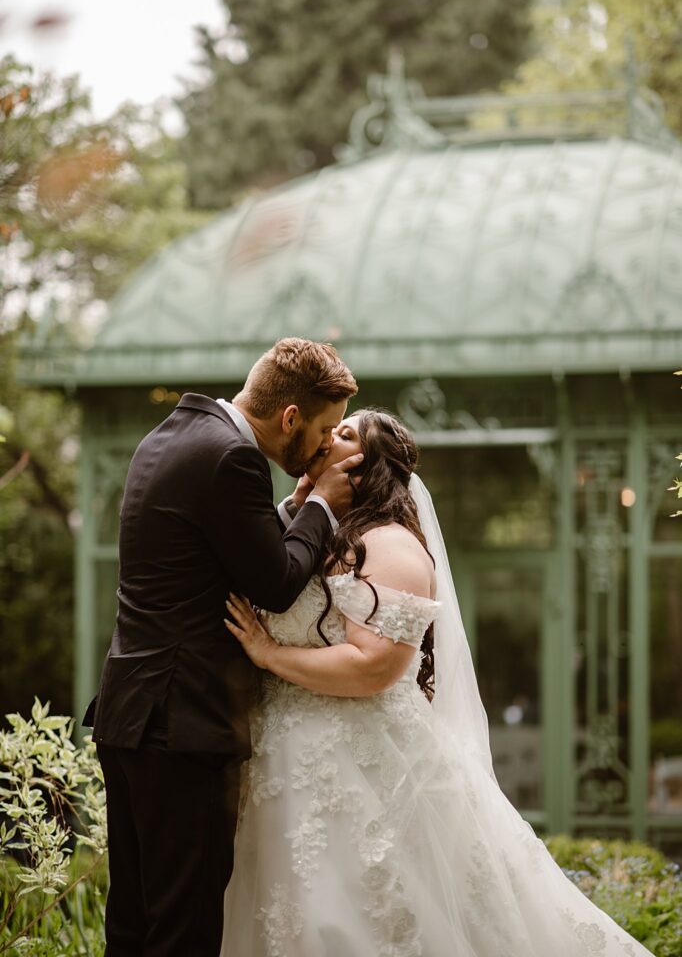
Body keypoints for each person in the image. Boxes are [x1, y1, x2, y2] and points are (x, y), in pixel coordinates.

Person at [222, 408, 655, 957]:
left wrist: (269, 653)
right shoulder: (311, 534)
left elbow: (373, 666)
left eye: (347, 434)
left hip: (363, 765)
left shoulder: (392, 546)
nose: (331, 436)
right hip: (280, 766)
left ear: (367, 465)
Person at [84, 338, 363, 957]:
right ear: (290, 417)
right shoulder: (232, 457)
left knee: (133, 924)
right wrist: (320, 505)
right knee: (184, 931)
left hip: (130, 714)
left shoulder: (170, 436)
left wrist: (290, 513)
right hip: (184, 726)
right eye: (325, 430)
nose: (324, 446)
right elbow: (276, 585)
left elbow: (225, 558)